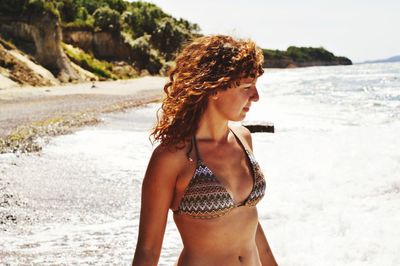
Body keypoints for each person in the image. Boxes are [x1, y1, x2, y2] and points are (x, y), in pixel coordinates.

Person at [132, 35, 278, 266]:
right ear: (213, 89)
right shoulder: (172, 157)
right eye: (247, 87)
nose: (256, 96)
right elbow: (148, 251)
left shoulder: (243, 138)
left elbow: (249, 224)